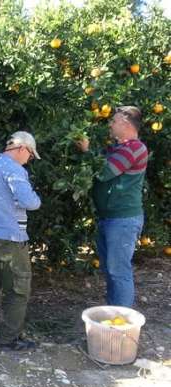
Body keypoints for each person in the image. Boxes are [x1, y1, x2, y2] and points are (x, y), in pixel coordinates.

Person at [76, 106, 147, 307]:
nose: (111, 124)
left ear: (125, 123)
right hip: (109, 219)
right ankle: (112, 317)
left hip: (123, 220)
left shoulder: (135, 148)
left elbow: (105, 171)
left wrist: (87, 151)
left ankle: (122, 324)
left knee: (119, 272)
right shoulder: (115, 148)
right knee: (110, 271)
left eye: (114, 121)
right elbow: (96, 163)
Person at [0, 131, 41, 351]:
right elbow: (30, 202)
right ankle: (10, 339)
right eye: (30, 155)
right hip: (11, 238)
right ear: (22, 148)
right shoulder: (14, 169)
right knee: (18, 289)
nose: (29, 160)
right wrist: (37, 199)